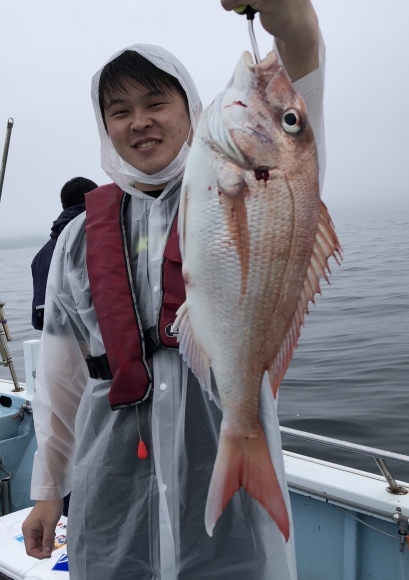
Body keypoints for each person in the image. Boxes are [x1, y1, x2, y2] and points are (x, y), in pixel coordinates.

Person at [22, 1, 325, 578]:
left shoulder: (245, 179)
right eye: (120, 110)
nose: (140, 122)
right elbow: (61, 381)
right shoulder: (79, 238)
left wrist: (287, 14)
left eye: (157, 102)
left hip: (226, 502)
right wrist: (47, 489)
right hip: (113, 500)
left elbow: (302, 64)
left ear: (193, 108)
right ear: (104, 124)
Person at [31, 177, 98, 331]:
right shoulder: (98, 238)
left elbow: (40, 315)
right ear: (95, 199)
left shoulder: (42, 256)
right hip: (100, 338)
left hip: (60, 343)